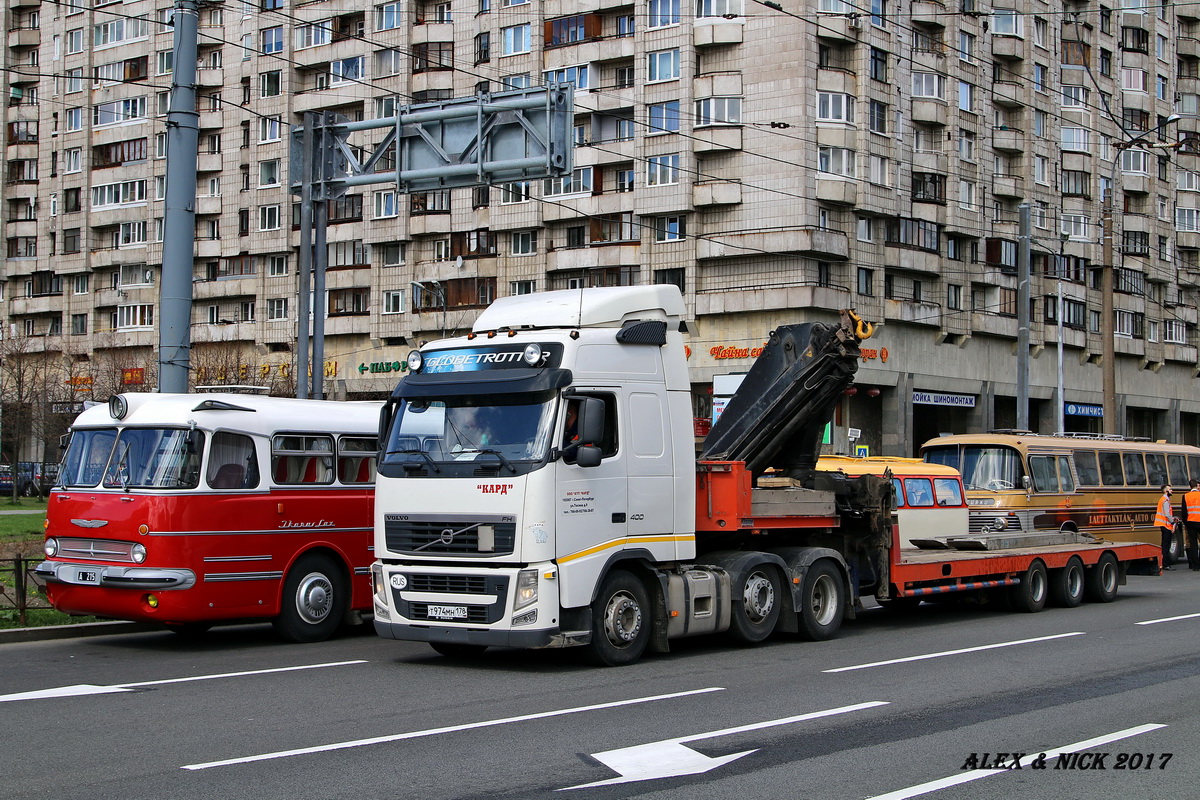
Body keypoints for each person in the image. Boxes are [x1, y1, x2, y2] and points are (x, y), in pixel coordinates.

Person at [1155, 483, 1177, 570]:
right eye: (1170, 489)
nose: (1172, 491)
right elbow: (1167, 514)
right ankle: (1165, 564)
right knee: (1166, 545)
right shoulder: (1165, 500)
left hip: (1163, 524)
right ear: (1165, 491)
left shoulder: (1163, 499)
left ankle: (1164, 563)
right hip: (1166, 525)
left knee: (1165, 544)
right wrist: (1172, 522)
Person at [1184, 479, 1200, 571]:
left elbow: (1184, 512)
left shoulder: (1185, 496)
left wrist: (1186, 523)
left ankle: (1195, 565)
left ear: (1190, 486)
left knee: (1193, 544)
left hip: (1190, 523)